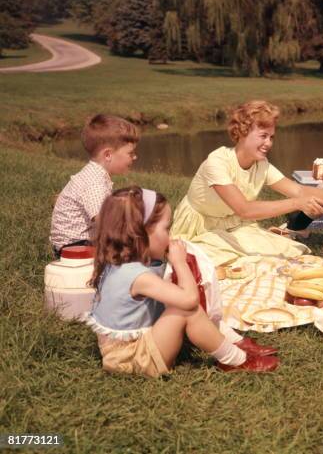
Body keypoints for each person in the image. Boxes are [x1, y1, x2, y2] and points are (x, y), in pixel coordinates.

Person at [84, 186, 279, 377]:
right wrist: (179, 263)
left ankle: (234, 342)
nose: (170, 236)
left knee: (184, 300)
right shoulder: (137, 276)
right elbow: (189, 300)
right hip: (133, 360)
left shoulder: (125, 261)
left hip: (132, 350)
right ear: (140, 233)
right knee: (186, 308)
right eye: (166, 228)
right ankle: (235, 360)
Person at [171, 100, 323, 265]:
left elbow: (298, 189)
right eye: (263, 136)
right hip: (200, 227)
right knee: (218, 262)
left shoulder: (262, 165)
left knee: (286, 252)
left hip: (233, 225)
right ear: (242, 132)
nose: (268, 143)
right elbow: (245, 210)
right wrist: (297, 204)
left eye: (271, 137)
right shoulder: (217, 162)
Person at [50, 114, 140, 259]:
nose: (135, 157)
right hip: (75, 248)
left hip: (74, 244)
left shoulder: (94, 173)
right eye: (131, 153)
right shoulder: (95, 183)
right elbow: (105, 222)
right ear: (108, 155)